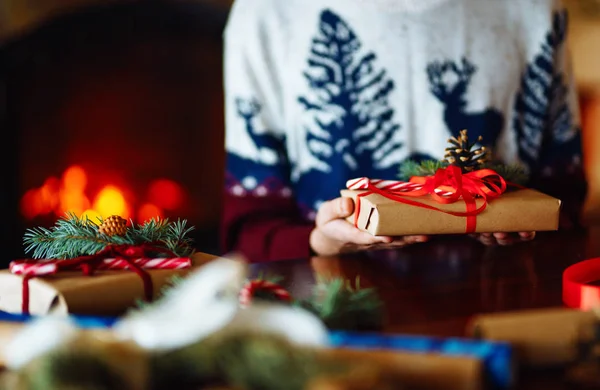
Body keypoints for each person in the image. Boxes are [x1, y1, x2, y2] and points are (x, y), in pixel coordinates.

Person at [221, 0, 587, 262]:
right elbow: (248, 235)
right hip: (333, 311)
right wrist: (321, 242)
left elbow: (564, 205)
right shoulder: (266, 14)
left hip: (498, 304)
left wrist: (521, 219)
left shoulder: (536, 10)